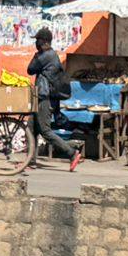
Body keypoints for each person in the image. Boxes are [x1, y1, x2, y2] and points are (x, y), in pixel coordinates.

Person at [27, 29, 82, 171]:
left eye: (37, 40)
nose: (35, 43)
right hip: (41, 96)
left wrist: (36, 55)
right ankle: (30, 161)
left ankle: (72, 153)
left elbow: (30, 69)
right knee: (31, 129)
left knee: (45, 130)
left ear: (44, 41)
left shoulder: (47, 55)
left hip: (44, 98)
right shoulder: (49, 55)